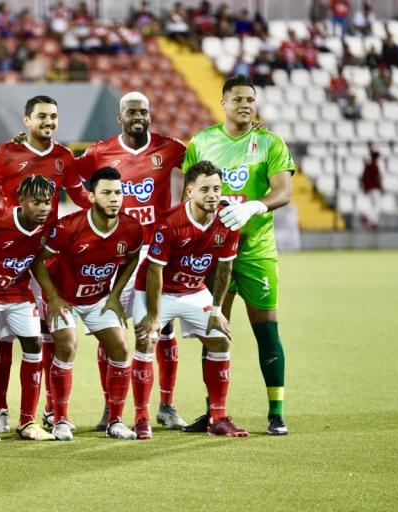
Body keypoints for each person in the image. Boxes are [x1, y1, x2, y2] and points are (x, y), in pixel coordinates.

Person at [0, 95, 91, 433]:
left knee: (42, 336)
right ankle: (0, 409)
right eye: (42, 116)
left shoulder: (64, 157)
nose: (49, 122)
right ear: (27, 121)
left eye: (54, 116)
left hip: (44, 256)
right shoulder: (8, 154)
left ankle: (50, 410)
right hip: (8, 256)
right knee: (1, 340)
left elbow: (82, 201)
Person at [181, 74, 294, 436]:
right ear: (223, 103)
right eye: (239, 99)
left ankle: (276, 412)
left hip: (256, 252)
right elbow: (188, 194)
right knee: (214, 330)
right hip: (214, 253)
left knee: (267, 330)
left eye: (251, 99)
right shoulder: (202, 142)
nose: (246, 105)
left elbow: (283, 192)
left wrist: (254, 208)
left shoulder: (269, 143)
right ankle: (215, 412)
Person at [75, 91, 187, 431]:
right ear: (119, 118)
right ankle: (111, 410)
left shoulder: (169, 147)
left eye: (144, 111)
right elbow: (69, 175)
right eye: (131, 112)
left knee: (162, 330)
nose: (138, 116)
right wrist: (93, 213)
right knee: (110, 331)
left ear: (150, 116)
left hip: (156, 255)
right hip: (116, 254)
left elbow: (203, 162)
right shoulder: (99, 151)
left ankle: (166, 405)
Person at [132, 160, 247, 439]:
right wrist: (154, 315)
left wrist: (217, 310)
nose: (212, 194)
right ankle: (141, 417)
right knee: (147, 338)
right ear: (189, 192)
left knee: (220, 337)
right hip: (156, 290)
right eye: (205, 188)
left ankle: (217, 417)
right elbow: (155, 270)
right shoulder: (171, 222)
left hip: (194, 290)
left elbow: (224, 268)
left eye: (217, 188)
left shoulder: (228, 221)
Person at [32, 167, 143, 441]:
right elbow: (38, 261)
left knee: (120, 347)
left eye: (118, 192)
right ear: (91, 196)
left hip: (99, 299)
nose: (114, 198)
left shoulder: (131, 228)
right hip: (65, 298)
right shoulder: (69, 227)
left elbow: (132, 259)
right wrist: (54, 298)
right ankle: (59, 420)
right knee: (67, 345)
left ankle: (115, 421)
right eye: (106, 193)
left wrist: (116, 294)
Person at [0, 175, 58, 442]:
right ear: (22, 201)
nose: (43, 208)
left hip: (19, 291)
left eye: (47, 202)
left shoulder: (47, 226)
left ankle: (28, 421)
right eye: (36, 202)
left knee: (34, 345)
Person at [360, 147, 382, 229]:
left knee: (372, 205)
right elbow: (377, 177)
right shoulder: (374, 166)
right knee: (377, 205)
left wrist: (364, 187)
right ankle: (368, 217)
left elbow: (363, 178)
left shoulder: (367, 167)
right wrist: (381, 186)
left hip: (368, 189)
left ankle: (374, 223)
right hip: (375, 188)